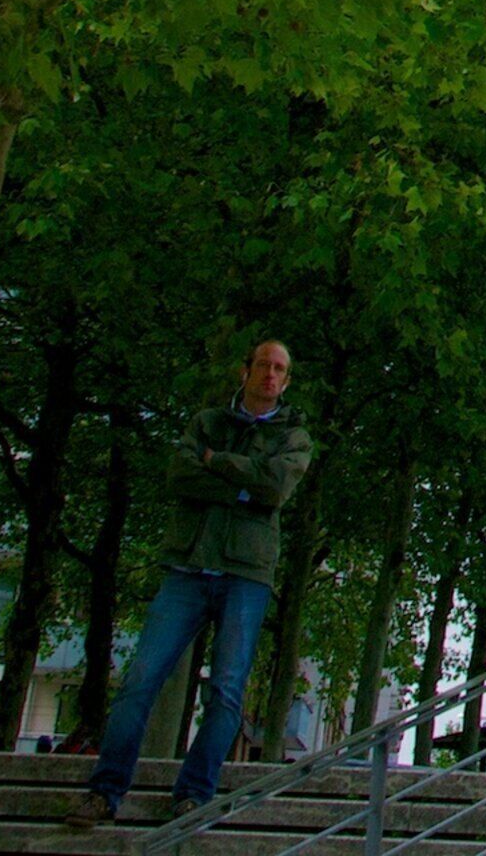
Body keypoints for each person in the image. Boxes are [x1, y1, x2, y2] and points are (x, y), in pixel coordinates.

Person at [67, 341, 316, 828]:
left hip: (246, 574)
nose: (270, 375)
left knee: (226, 692)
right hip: (187, 566)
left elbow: (275, 489)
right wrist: (246, 486)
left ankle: (194, 794)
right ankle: (104, 792)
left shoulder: (296, 437)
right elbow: (181, 477)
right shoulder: (206, 423)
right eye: (263, 365)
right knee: (139, 681)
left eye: (279, 369)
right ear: (245, 371)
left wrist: (217, 464)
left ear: (286, 382)